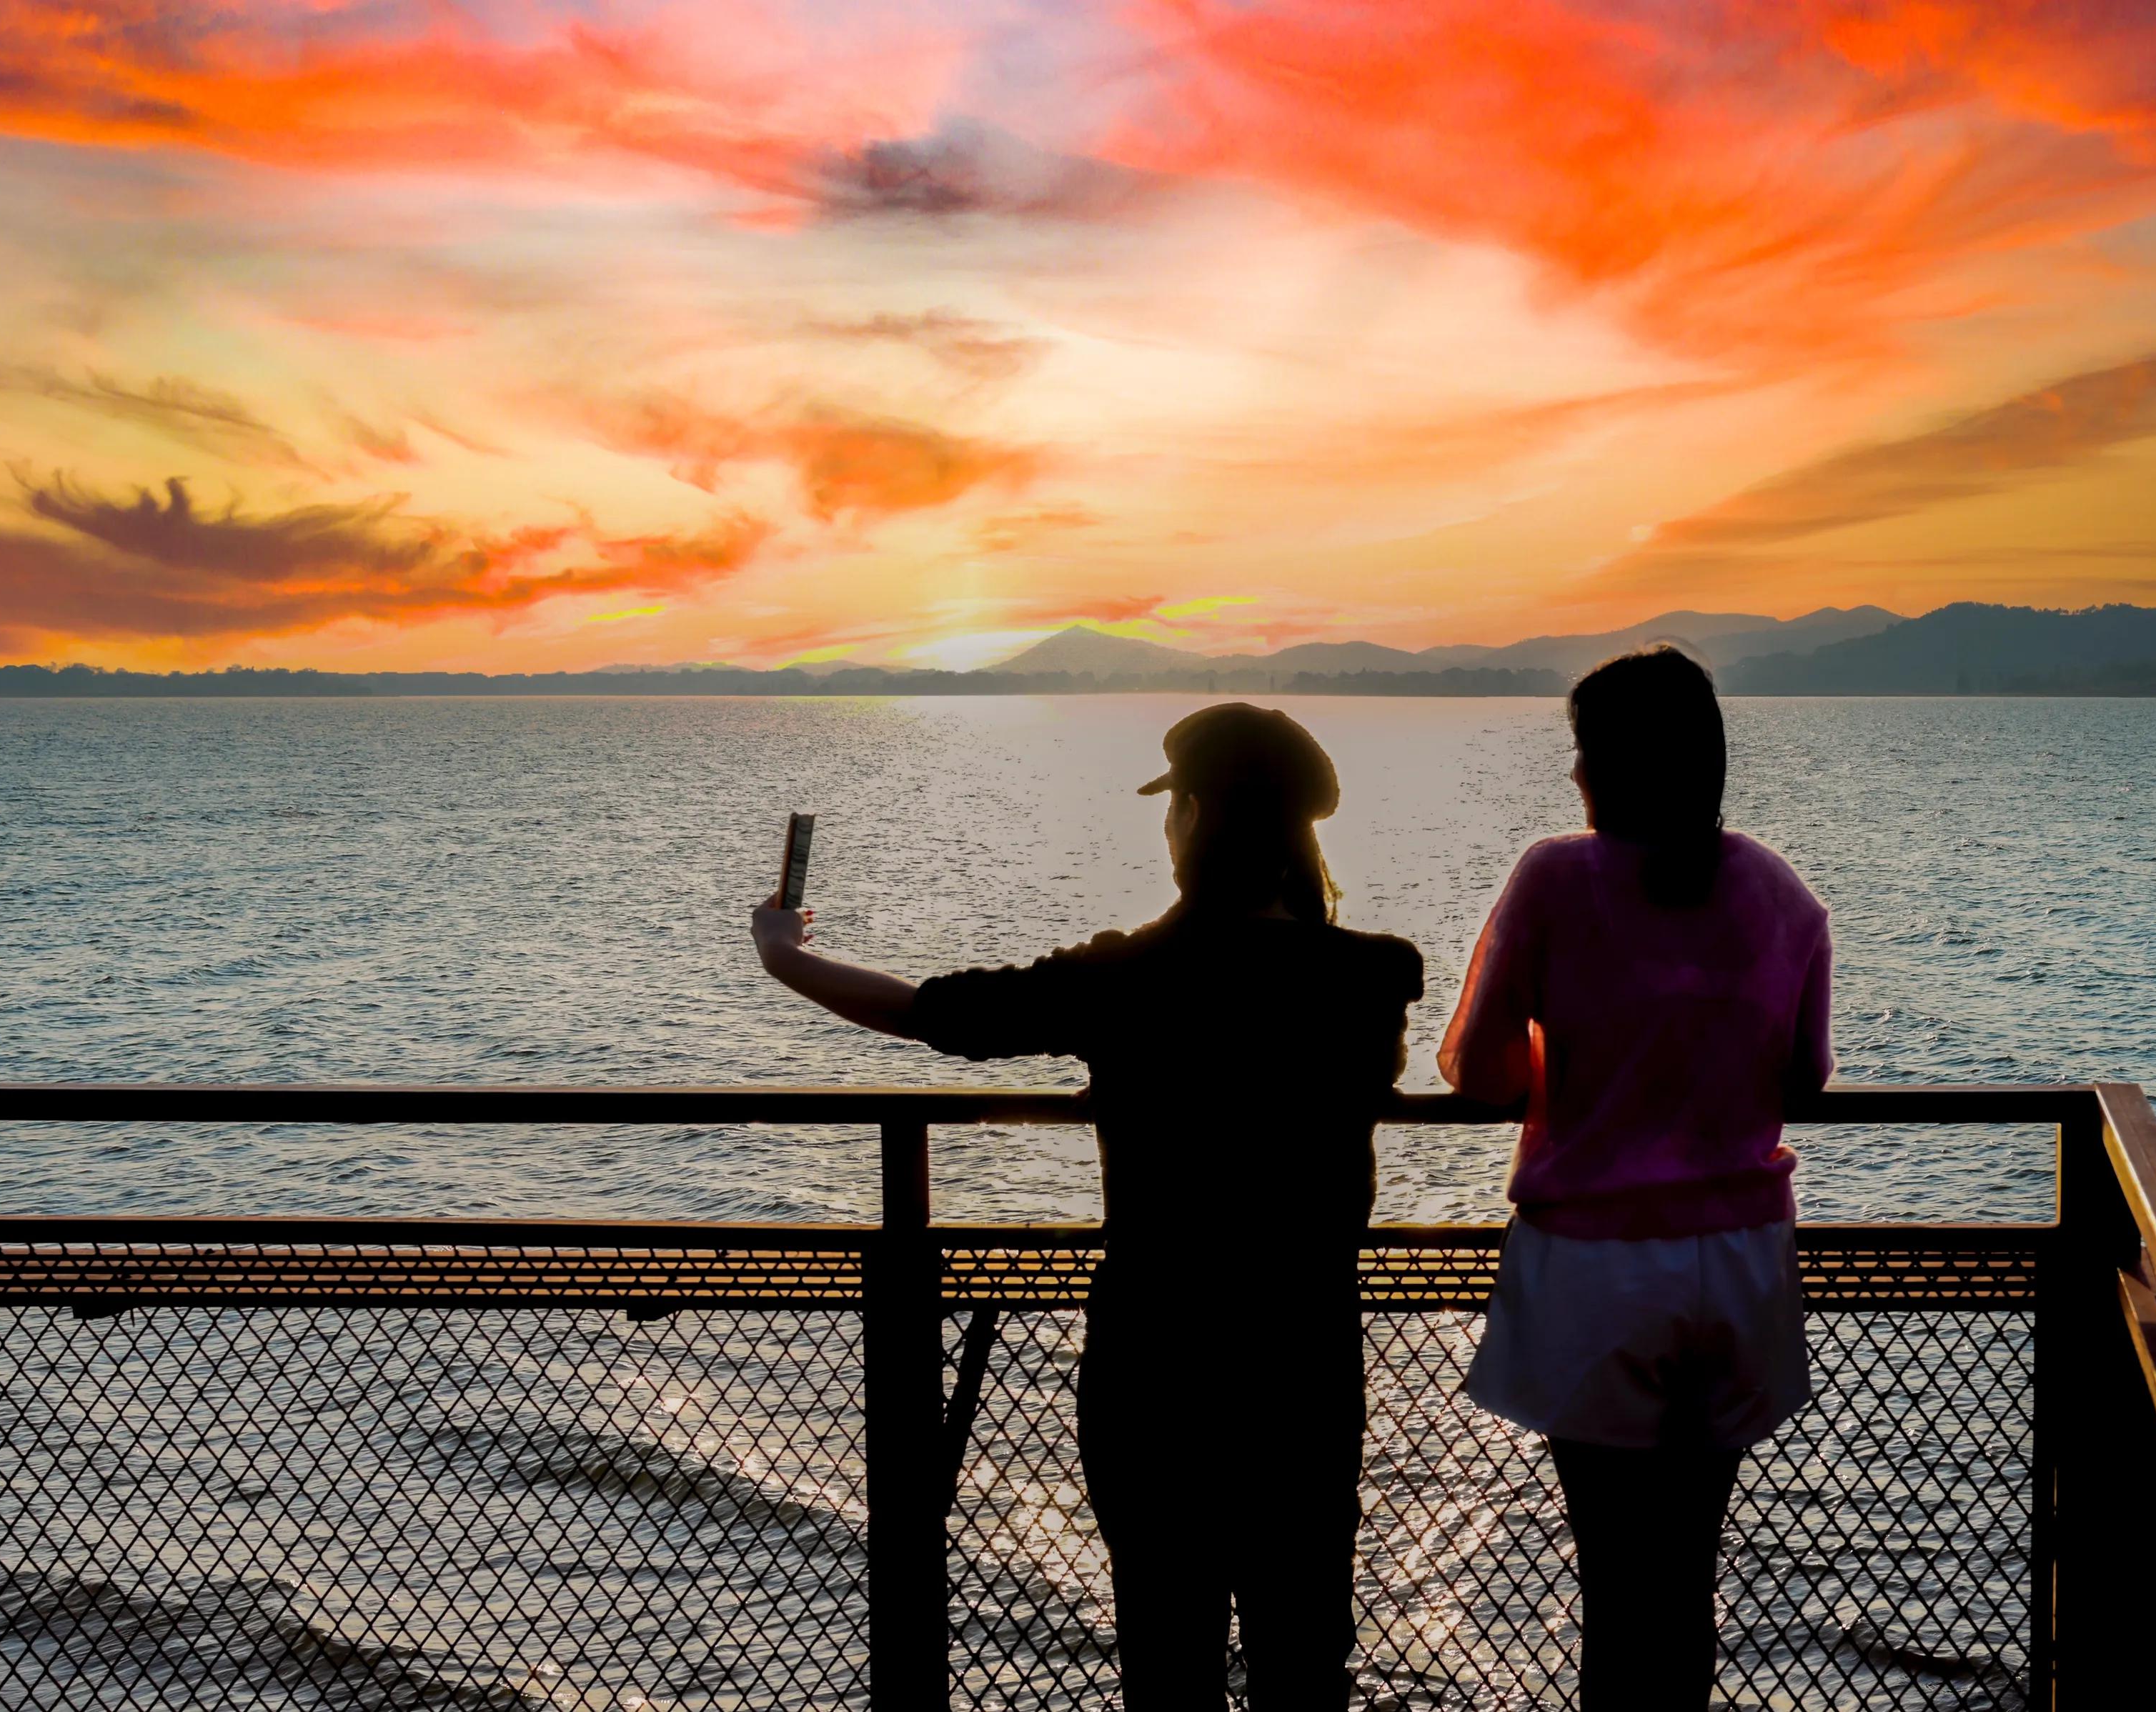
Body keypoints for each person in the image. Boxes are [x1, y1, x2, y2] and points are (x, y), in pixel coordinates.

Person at [749, 703, 1422, 1710]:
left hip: (1156, 1358)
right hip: (1303, 1360)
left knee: (1167, 1647)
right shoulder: (1372, 976)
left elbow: (933, 1013)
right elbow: (1317, 1075)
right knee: (1303, 1653)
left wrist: (786, 958)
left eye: (1174, 807)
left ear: (1195, 816)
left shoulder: (1125, 978)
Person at [1438, 645, 1832, 1711]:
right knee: (1688, 1573)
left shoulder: (1554, 878)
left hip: (1597, 1270)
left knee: (1618, 1579)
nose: (1573, 772)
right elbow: (1804, 1076)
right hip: (1740, 1261)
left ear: (1607, 765)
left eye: (1581, 750)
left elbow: (1479, 1072)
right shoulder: (1780, 892)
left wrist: (1569, 1064)